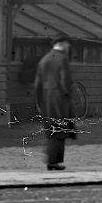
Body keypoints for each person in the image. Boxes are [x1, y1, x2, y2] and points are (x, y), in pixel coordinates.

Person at [34, 32, 75, 170]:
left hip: (46, 100)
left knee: (51, 130)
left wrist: (39, 102)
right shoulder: (62, 59)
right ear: (62, 43)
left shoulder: (44, 59)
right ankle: (53, 161)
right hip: (60, 100)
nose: (68, 46)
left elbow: (37, 85)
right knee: (59, 131)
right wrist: (68, 97)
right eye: (67, 43)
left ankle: (54, 161)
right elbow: (65, 81)